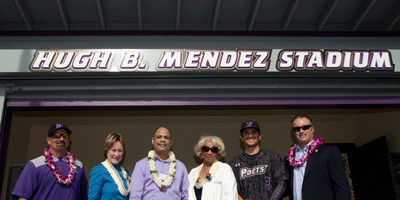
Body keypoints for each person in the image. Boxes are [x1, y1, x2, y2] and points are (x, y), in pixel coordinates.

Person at [11, 123, 88, 200]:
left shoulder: (78, 165)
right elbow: (22, 197)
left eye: (65, 136)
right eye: (56, 136)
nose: (61, 139)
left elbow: (85, 195)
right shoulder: (35, 164)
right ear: (49, 140)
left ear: (68, 140)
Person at [284, 115, 351, 200]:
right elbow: (285, 188)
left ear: (312, 129)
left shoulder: (329, 152)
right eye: (297, 129)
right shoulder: (288, 159)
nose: (301, 131)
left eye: (305, 127)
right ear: (294, 132)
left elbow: (341, 186)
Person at [229, 121, 288, 200]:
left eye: (254, 132)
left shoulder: (272, 156)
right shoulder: (234, 163)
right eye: (246, 132)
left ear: (260, 136)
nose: (250, 135)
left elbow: (282, 183)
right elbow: (229, 189)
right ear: (241, 137)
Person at [130, 126, 189, 200]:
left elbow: (186, 195)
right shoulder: (141, 165)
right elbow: (135, 196)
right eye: (159, 137)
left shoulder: (180, 167)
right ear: (153, 140)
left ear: (171, 142)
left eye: (166, 137)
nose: (162, 140)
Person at [188, 135, 238, 200]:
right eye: (206, 149)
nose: (209, 152)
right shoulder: (193, 172)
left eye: (214, 150)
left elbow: (231, 195)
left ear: (218, 152)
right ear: (201, 151)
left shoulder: (225, 169)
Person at [89, 133, 130, 200]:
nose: (116, 154)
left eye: (120, 151)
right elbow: (93, 198)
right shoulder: (98, 170)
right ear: (106, 150)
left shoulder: (125, 173)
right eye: (113, 150)